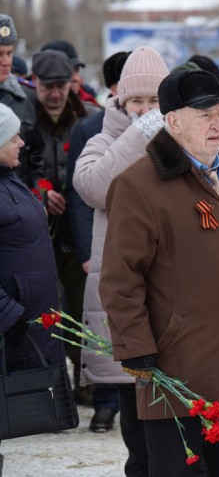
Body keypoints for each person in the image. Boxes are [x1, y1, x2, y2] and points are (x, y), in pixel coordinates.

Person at [99, 69, 219, 476]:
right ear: (173, 121)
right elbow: (120, 278)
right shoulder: (138, 185)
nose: (215, 123)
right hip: (175, 372)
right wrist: (135, 349)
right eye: (203, 114)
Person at [73, 46, 171, 473]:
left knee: (173, 406)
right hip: (126, 293)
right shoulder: (102, 139)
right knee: (136, 414)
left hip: (171, 290)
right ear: (120, 100)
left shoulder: (183, 137)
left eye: (155, 103)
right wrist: (140, 133)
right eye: (137, 102)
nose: (146, 111)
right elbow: (93, 188)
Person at [30, 49, 101, 406]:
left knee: (80, 306)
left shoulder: (88, 120)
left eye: (61, 86)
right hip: (38, 235)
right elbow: (22, 166)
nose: (55, 94)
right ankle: (53, 386)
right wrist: (40, 191)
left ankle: (85, 379)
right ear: (36, 85)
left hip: (78, 233)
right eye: (48, 87)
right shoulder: (26, 118)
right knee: (48, 310)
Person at [0, 103, 66, 475]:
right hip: (10, 327)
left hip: (24, 324)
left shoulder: (10, 178)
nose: (22, 143)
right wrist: (10, 315)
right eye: (12, 137)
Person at [67, 50, 130, 435]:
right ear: (112, 88)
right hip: (101, 245)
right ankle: (104, 405)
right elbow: (77, 196)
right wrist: (85, 252)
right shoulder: (90, 129)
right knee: (104, 325)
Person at [0, 13, 44, 188]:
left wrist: (38, 197)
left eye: (9, 53)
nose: (6, 62)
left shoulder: (27, 97)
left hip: (17, 202)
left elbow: (37, 156)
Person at [40, 39, 100, 108]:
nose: (76, 78)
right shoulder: (29, 108)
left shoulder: (91, 106)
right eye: (68, 71)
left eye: (77, 71)